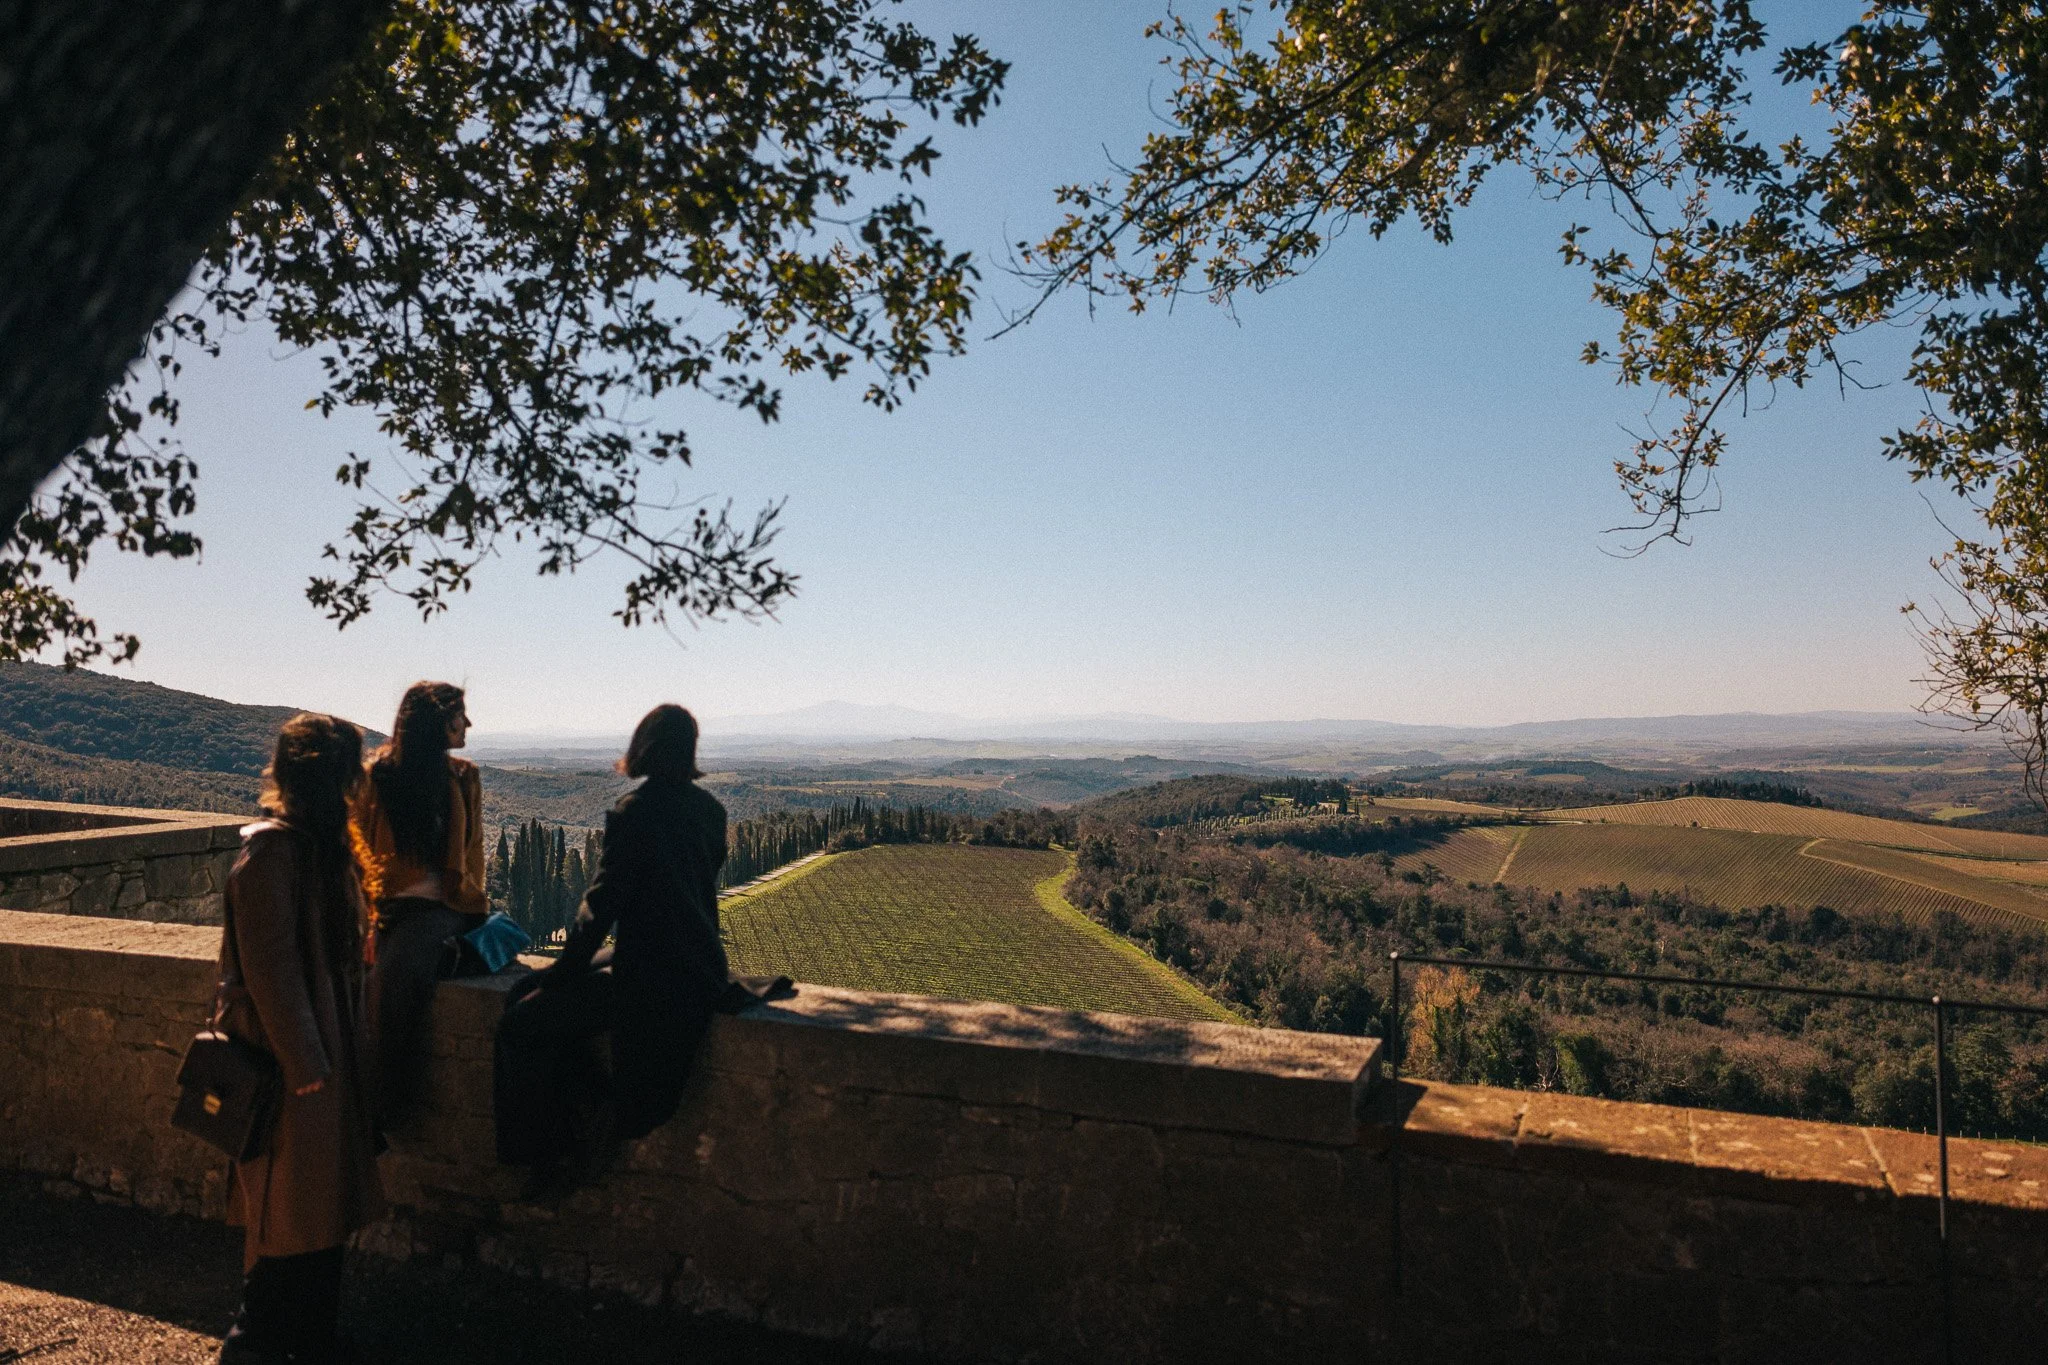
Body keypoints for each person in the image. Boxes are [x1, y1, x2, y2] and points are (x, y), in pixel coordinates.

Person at [495, 703, 728, 1196]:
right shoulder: (712, 811)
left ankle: (544, 1157)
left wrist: (562, 974)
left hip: (648, 973)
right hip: (700, 967)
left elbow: (600, 907)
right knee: (532, 992)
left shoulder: (636, 812)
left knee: (522, 1019)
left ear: (641, 748)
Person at [218, 713, 384, 1365]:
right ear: (332, 775)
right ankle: (256, 1342)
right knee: (284, 1205)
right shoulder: (271, 853)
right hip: (292, 1064)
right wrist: (307, 1062)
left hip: (325, 1050)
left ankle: (311, 1336)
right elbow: (270, 968)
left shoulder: (321, 846)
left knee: (321, 1204)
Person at [350, 681, 486, 1128]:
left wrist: (474, 912)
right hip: (389, 913)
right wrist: (366, 924)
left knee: (393, 984)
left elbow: (472, 859)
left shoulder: (464, 778)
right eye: (459, 715)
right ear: (437, 722)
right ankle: (376, 1114)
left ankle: (379, 1116)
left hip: (441, 913)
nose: (468, 723)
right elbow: (358, 855)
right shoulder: (378, 778)